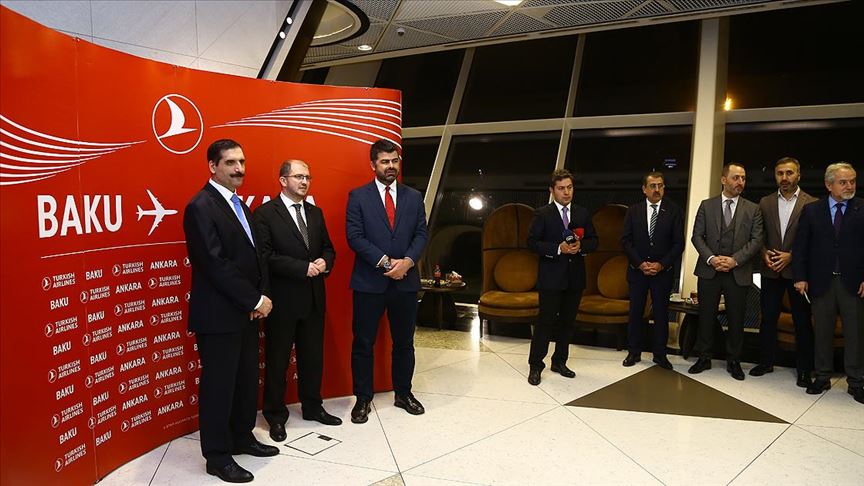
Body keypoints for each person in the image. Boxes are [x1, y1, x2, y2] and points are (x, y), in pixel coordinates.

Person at [183, 139, 278, 483]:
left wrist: (258, 298)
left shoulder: (240, 204)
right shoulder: (200, 206)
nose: (239, 169)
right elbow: (214, 263)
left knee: (245, 381)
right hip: (219, 316)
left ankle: (241, 437)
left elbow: (256, 257)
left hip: (245, 312)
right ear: (213, 166)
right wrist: (253, 300)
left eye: (242, 162)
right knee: (219, 387)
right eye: (230, 163)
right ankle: (218, 456)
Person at [253, 160, 341, 443]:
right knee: (277, 361)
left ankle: (313, 407)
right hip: (282, 301)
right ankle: (275, 416)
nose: (304, 182)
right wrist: (302, 268)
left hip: (314, 299)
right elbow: (265, 257)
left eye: (308, 177)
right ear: (283, 180)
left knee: (312, 358)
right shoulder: (265, 213)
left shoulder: (315, 212)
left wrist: (325, 262)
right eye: (299, 176)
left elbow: (328, 248)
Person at [346, 139, 428, 423]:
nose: (391, 166)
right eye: (384, 161)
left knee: (404, 343)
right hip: (369, 282)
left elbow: (421, 234)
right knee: (363, 343)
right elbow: (354, 237)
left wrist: (407, 262)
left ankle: (403, 394)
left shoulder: (413, 197)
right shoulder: (358, 196)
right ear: (373, 165)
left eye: (394, 161)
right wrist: (385, 262)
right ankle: (363, 399)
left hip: (405, 282)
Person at [793, 162, 863, 404]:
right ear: (829, 184)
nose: (849, 186)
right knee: (822, 331)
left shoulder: (862, 208)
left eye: (852, 181)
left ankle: (856, 381)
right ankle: (822, 376)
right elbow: (800, 247)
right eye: (843, 182)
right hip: (821, 281)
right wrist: (800, 277)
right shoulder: (812, 210)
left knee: (855, 334)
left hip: (853, 283)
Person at [688, 163, 764, 381]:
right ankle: (704, 357)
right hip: (709, 270)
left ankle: (734, 360)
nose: (740, 182)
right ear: (723, 180)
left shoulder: (753, 209)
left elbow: (756, 240)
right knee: (706, 316)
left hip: (737, 271)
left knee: (736, 318)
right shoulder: (706, 205)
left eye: (743, 178)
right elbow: (697, 236)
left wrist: (734, 260)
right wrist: (711, 259)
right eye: (735, 177)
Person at [526, 169, 599, 385]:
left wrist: (580, 246)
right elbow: (531, 243)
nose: (566, 192)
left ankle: (559, 362)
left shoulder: (582, 213)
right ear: (552, 190)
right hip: (550, 278)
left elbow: (594, 241)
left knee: (567, 323)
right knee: (545, 322)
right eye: (561, 188)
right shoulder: (542, 214)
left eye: (569, 187)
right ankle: (536, 365)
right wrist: (558, 248)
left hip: (575, 278)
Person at [752, 157, 816, 386]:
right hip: (770, 271)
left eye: (789, 173)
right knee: (768, 319)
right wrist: (763, 253)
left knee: (802, 321)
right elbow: (758, 235)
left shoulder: (812, 203)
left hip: (798, 273)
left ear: (798, 175)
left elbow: (815, 241)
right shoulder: (765, 202)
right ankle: (766, 362)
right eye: (780, 173)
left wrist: (792, 256)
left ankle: (804, 370)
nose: (784, 178)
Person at [620, 171, 684, 370]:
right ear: (644, 189)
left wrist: (661, 264)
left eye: (660, 186)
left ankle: (660, 354)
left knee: (661, 314)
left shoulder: (674, 211)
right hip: (637, 270)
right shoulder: (633, 211)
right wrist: (640, 263)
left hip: (662, 272)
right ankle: (633, 352)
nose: (657, 190)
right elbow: (625, 241)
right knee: (635, 312)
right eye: (653, 186)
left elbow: (678, 243)